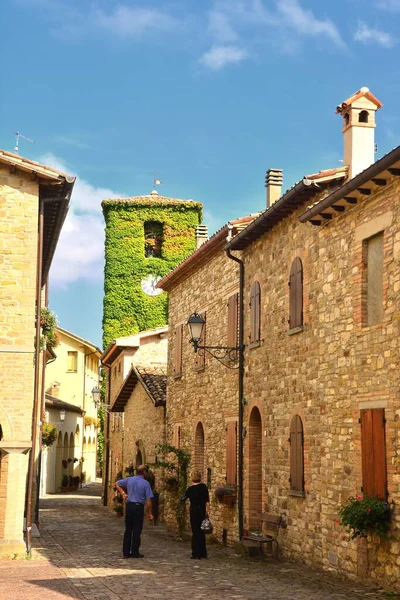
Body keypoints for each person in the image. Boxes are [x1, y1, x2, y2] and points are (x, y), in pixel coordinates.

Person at [115, 464, 154, 558]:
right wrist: (150, 513)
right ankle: (135, 551)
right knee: (137, 530)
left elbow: (117, 483)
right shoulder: (145, 483)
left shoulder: (129, 479)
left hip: (129, 506)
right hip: (138, 507)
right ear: (144, 472)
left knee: (128, 529)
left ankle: (125, 552)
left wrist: (123, 493)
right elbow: (148, 500)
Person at [182, 470, 210, 559]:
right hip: (202, 510)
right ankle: (203, 552)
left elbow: (183, 498)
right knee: (202, 531)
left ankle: (196, 553)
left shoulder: (190, 489)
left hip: (194, 511)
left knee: (195, 531)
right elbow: (207, 501)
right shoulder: (204, 487)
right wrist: (207, 511)